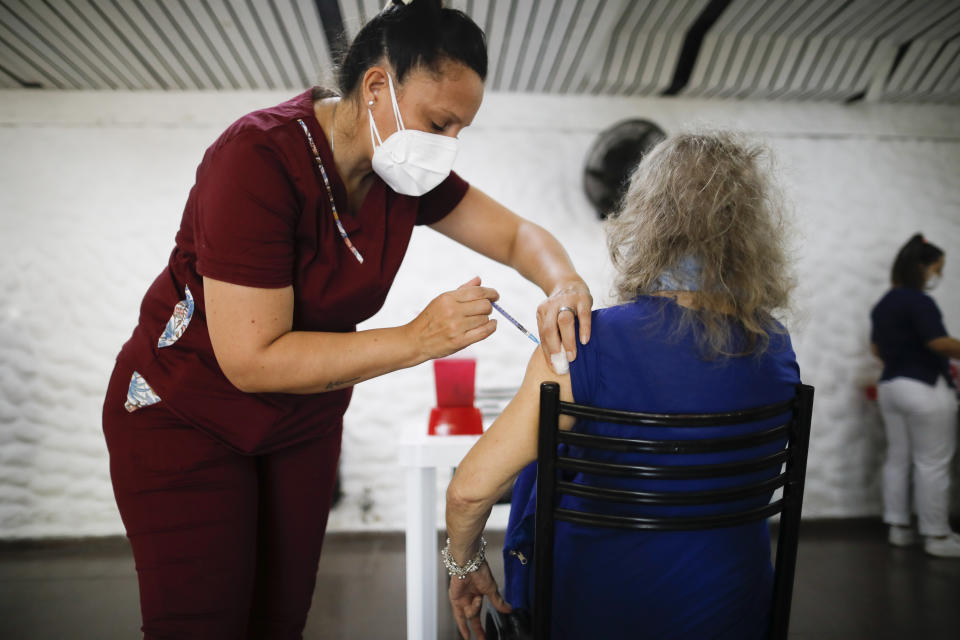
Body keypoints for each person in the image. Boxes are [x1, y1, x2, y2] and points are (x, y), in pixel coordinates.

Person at [101, 1, 593, 637]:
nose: (445, 147)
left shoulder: (402, 178)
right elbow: (252, 359)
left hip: (300, 419)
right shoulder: (256, 158)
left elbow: (520, 235)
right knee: (204, 623)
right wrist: (420, 338)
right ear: (377, 85)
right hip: (186, 413)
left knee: (279, 621)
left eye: (458, 132)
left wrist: (565, 283)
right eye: (438, 123)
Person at [445, 132, 801, 640]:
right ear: (753, 232)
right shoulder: (777, 346)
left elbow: (468, 492)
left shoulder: (585, 339)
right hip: (738, 612)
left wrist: (463, 565)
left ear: (647, 220)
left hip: (594, 613)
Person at [870, 234, 960, 557]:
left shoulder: (884, 303)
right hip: (924, 387)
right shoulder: (919, 301)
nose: (939, 275)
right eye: (938, 268)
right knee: (933, 462)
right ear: (922, 267)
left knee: (898, 458)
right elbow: (938, 343)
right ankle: (937, 537)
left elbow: (876, 349)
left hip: (891, 387)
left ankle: (899, 528)